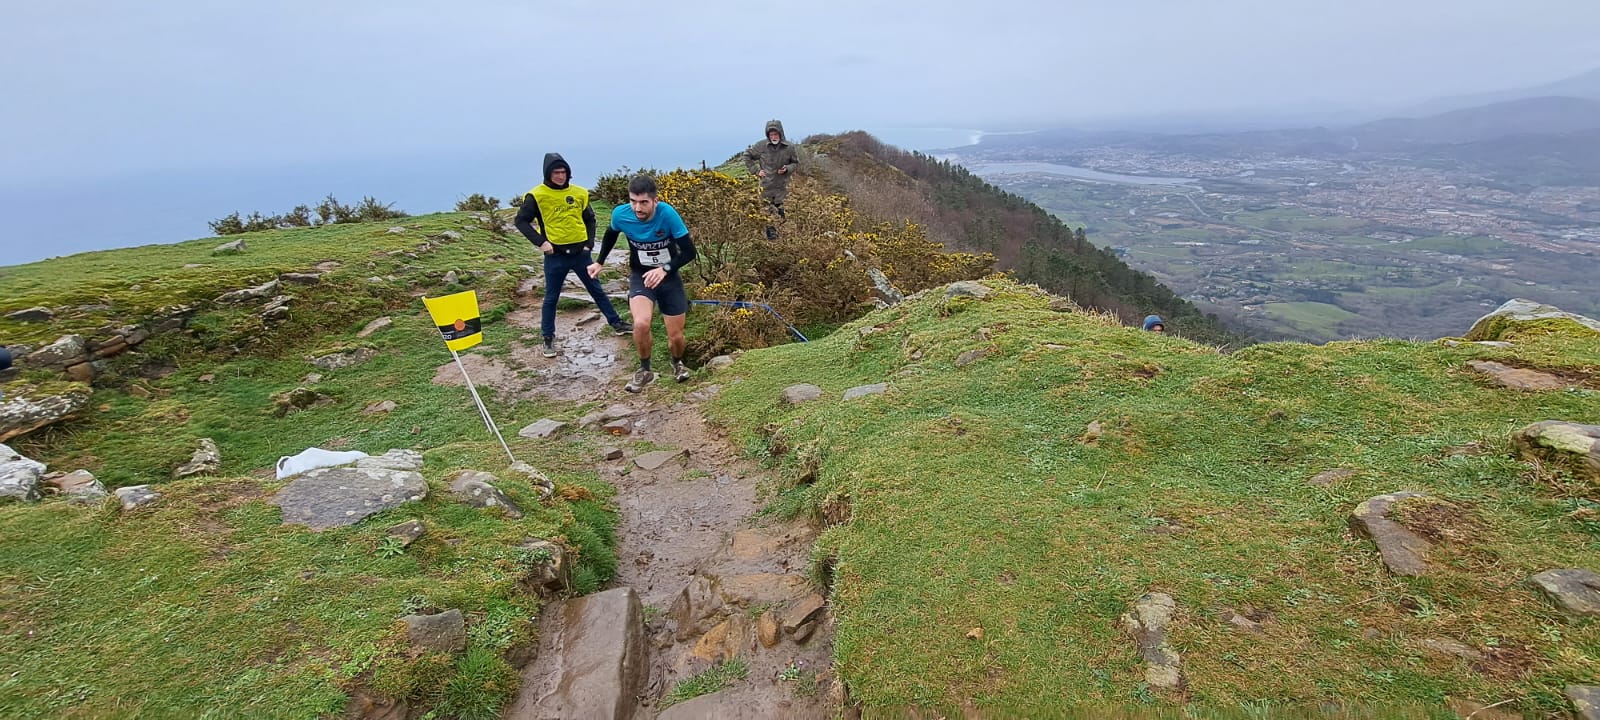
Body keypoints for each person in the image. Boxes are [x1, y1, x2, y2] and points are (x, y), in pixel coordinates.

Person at [515, 152, 630, 358]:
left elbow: (590, 219)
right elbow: (521, 221)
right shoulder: (536, 195)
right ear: (547, 173)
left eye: (564, 172)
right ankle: (548, 338)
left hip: (580, 253)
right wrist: (541, 243)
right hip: (555, 254)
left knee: (597, 290)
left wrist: (589, 244)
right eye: (556, 172)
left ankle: (616, 323)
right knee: (551, 297)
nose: (560, 176)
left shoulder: (579, 193)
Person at [589, 175, 698, 392]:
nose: (638, 208)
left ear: (654, 201)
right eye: (633, 201)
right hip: (641, 276)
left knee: (676, 336)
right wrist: (599, 262)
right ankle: (645, 370)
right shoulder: (621, 214)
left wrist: (665, 269)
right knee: (641, 323)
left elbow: (689, 252)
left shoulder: (667, 214)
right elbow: (611, 234)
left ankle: (677, 363)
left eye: (644, 202)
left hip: (668, 277)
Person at [743, 120, 799, 240]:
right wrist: (756, 171)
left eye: (776, 134)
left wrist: (787, 168)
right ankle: (771, 244)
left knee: (782, 216)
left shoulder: (789, 148)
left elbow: (795, 163)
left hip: (782, 189)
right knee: (768, 217)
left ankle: (783, 242)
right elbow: (747, 155)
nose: (773, 137)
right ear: (768, 135)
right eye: (771, 135)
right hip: (766, 189)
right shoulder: (761, 146)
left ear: (781, 133)